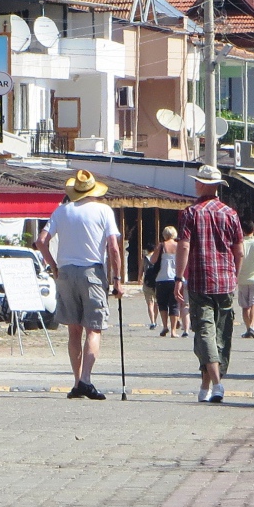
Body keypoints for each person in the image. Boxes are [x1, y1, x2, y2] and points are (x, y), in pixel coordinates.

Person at [35, 170, 124, 400]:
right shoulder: (104, 211)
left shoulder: (62, 211)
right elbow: (113, 248)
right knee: (93, 328)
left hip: (65, 273)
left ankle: (76, 383)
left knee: (73, 330)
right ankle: (85, 380)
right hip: (92, 272)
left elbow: (41, 241)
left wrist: (53, 266)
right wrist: (117, 279)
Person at [174, 165, 244, 403]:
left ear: (204, 185)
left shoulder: (190, 213)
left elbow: (184, 246)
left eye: (197, 181)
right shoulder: (231, 214)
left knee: (204, 331)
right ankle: (206, 387)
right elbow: (239, 251)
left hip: (200, 280)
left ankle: (216, 384)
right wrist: (235, 275)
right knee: (222, 334)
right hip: (226, 280)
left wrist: (178, 277)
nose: (195, 185)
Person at [147, 227, 184, 338]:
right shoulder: (179, 246)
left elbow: (152, 260)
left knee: (162, 304)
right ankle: (173, 331)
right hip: (175, 279)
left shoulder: (161, 246)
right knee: (174, 305)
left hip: (161, 278)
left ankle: (164, 326)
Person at [140, 242, 161, 330]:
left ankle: (152, 321)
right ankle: (155, 320)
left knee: (150, 303)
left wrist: (140, 279)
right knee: (156, 303)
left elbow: (141, 271)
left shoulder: (144, 259)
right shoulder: (157, 258)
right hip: (157, 282)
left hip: (147, 282)